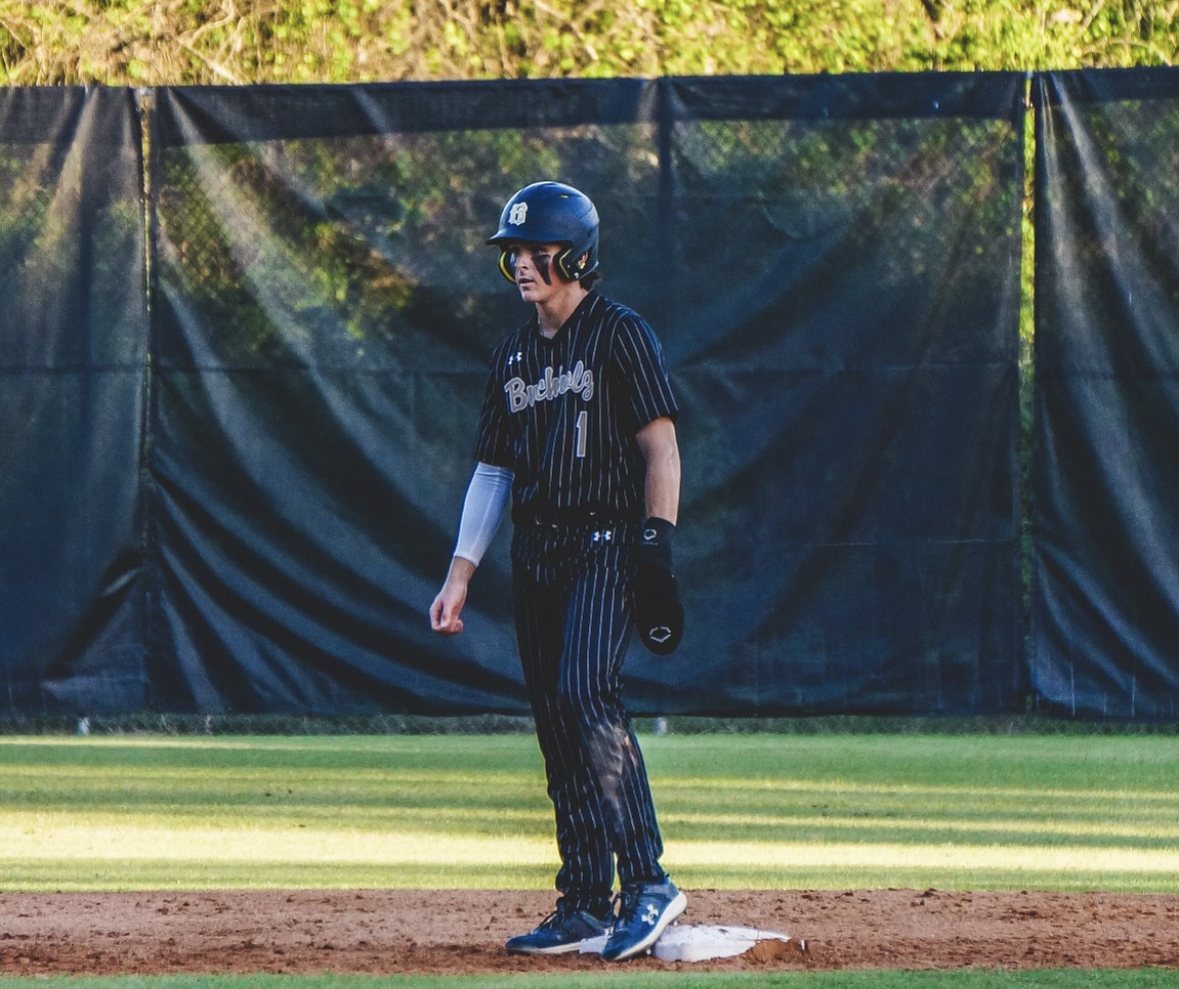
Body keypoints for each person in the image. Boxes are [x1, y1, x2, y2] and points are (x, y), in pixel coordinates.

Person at [429, 181, 686, 962]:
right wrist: (461, 571)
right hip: (536, 551)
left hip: (606, 539)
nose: (519, 264)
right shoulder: (512, 351)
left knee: (585, 691)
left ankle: (648, 880)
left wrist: (655, 546)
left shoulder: (619, 334)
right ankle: (582, 897)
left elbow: (660, 448)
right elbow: (493, 472)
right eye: (512, 251)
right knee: (554, 718)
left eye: (534, 250)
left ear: (575, 254)